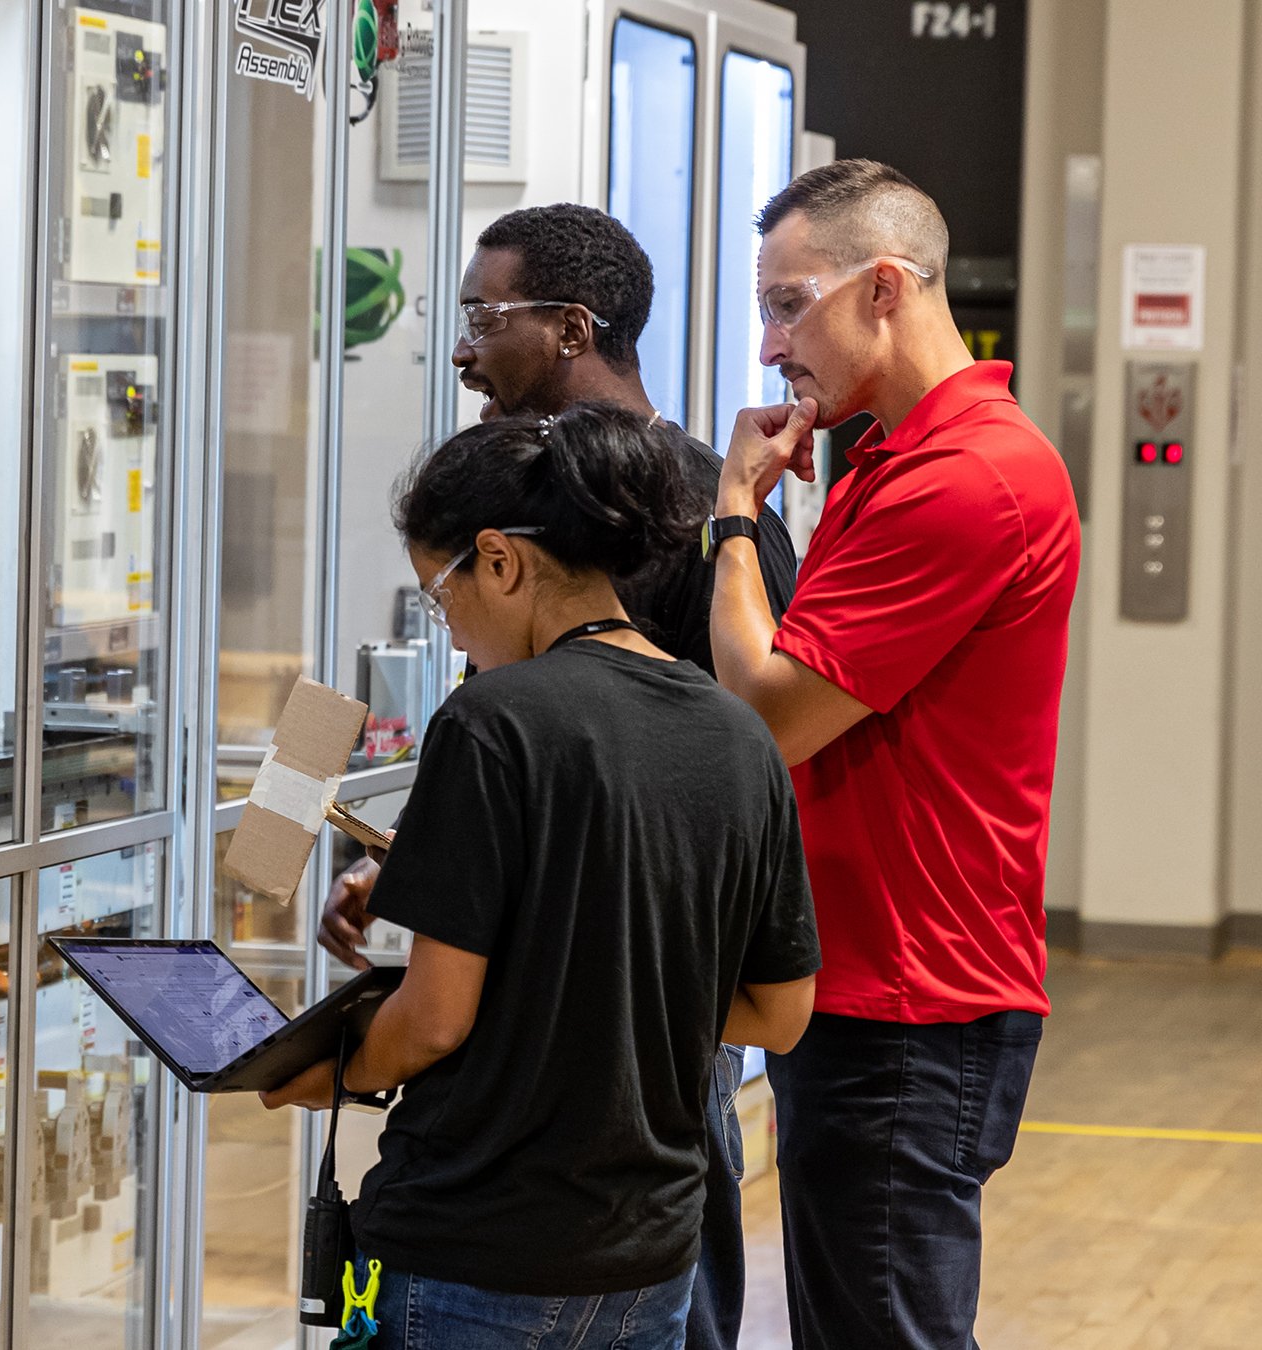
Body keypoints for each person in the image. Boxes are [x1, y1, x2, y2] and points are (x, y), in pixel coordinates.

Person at [325, 202, 800, 1350]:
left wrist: (339, 1059)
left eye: (486, 317)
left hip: (638, 1062)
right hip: (550, 1062)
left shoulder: (713, 531)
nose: (462, 349)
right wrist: (428, 872)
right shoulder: (516, 595)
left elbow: (690, 787)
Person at [705, 160, 1082, 1348]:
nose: (769, 350)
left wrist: (732, 515)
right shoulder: (893, 458)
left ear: (881, 289)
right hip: (870, 988)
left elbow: (769, 713)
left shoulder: (970, 478)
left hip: (909, 1006)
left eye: (785, 304)